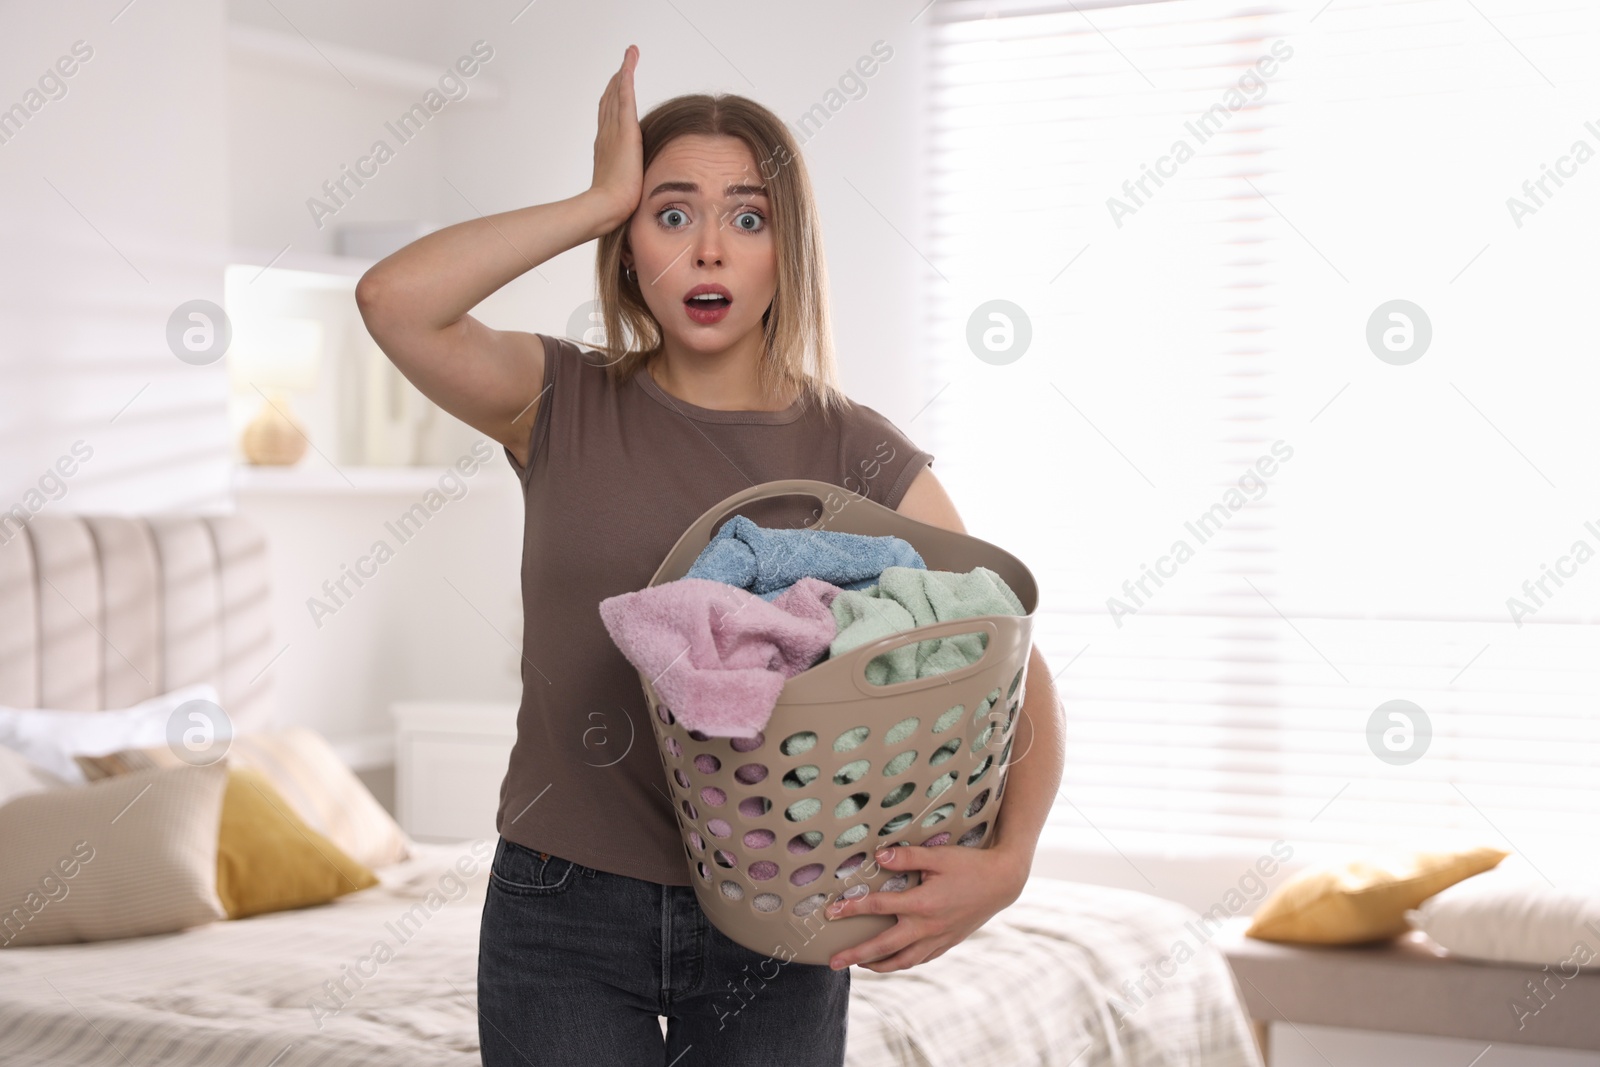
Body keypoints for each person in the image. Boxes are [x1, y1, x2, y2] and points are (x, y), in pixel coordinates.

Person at [356, 43, 1055, 1067]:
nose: (709, 250)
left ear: (787, 248)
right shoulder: (557, 397)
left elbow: (1008, 657)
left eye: (748, 216)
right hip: (562, 911)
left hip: (790, 905)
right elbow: (392, 299)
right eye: (670, 212)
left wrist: (1012, 860)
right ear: (630, 242)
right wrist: (595, 195)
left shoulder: (859, 451)